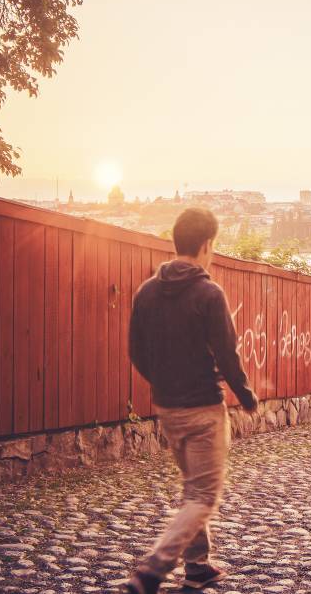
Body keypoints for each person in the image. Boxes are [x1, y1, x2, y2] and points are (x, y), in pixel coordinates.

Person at [124, 207, 260, 594]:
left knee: (192, 487)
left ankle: (197, 567)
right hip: (202, 408)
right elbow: (227, 354)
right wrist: (246, 395)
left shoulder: (146, 291)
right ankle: (154, 567)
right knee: (203, 495)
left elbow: (136, 351)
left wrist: (164, 382)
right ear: (206, 245)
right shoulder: (209, 293)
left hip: (168, 408)